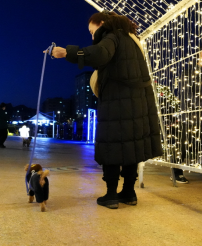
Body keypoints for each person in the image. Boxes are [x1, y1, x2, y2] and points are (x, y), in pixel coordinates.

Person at [49, 11, 162, 209]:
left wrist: (67, 52)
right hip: (138, 102)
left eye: (93, 32)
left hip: (117, 101)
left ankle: (110, 194)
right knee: (131, 146)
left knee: (111, 145)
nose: (92, 37)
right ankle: (129, 192)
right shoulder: (132, 39)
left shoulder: (113, 36)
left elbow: (100, 54)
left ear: (102, 23)